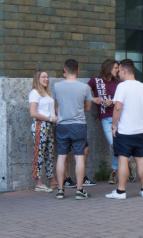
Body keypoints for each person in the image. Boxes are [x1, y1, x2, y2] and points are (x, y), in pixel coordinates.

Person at [106, 59, 143, 200]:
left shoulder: (122, 86)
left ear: (124, 71)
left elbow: (117, 108)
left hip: (124, 131)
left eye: (119, 70)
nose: (118, 73)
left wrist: (114, 126)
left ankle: (121, 191)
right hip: (139, 130)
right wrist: (142, 122)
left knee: (123, 159)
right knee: (140, 159)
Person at [51, 59, 94, 200]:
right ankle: (80, 190)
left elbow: (56, 107)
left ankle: (60, 190)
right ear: (78, 70)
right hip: (78, 125)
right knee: (79, 157)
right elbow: (88, 108)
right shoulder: (84, 87)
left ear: (65, 70)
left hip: (62, 125)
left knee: (61, 157)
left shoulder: (57, 86)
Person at [89, 59, 122, 184]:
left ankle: (113, 172)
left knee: (117, 146)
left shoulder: (118, 83)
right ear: (108, 68)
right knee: (114, 145)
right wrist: (92, 99)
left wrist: (112, 102)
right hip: (106, 118)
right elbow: (82, 92)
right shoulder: (95, 80)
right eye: (115, 68)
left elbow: (121, 100)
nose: (117, 70)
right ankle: (129, 165)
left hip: (118, 118)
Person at [28, 70, 59, 192]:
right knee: (39, 153)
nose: (46, 79)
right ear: (37, 79)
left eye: (47, 77)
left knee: (49, 153)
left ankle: (52, 181)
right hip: (40, 125)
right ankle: (38, 183)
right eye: (43, 77)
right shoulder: (35, 93)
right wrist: (50, 118)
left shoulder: (47, 93)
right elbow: (33, 113)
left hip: (50, 126)